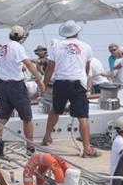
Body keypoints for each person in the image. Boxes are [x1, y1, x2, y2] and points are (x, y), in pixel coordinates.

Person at [41, 20, 99, 158]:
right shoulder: (86, 46)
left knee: (55, 109)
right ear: (77, 32)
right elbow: (87, 67)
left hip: (60, 82)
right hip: (78, 83)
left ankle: (47, 137)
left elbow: (50, 67)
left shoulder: (57, 46)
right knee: (82, 116)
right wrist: (85, 81)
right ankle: (86, 148)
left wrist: (44, 83)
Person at [0, 25, 45, 154]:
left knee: (3, 117)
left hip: (3, 85)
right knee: (27, 117)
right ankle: (30, 148)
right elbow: (28, 64)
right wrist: (39, 80)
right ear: (20, 38)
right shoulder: (18, 47)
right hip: (16, 85)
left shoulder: (2, 49)